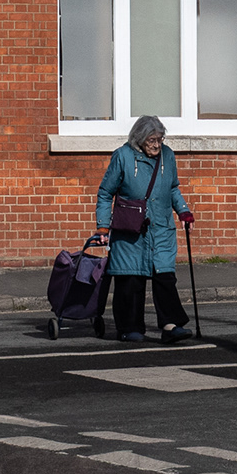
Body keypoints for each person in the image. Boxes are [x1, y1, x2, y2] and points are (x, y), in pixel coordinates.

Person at [95, 115, 195, 343]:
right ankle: (129, 328)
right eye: (152, 140)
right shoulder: (123, 156)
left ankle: (171, 326)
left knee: (165, 276)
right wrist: (102, 227)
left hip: (160, 227)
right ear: (139, 139)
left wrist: (183, 211)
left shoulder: (168, 156)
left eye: (160, 139)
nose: (157, 145)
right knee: (130, 279)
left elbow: (172, 188)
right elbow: (105, 193)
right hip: (130, 230)